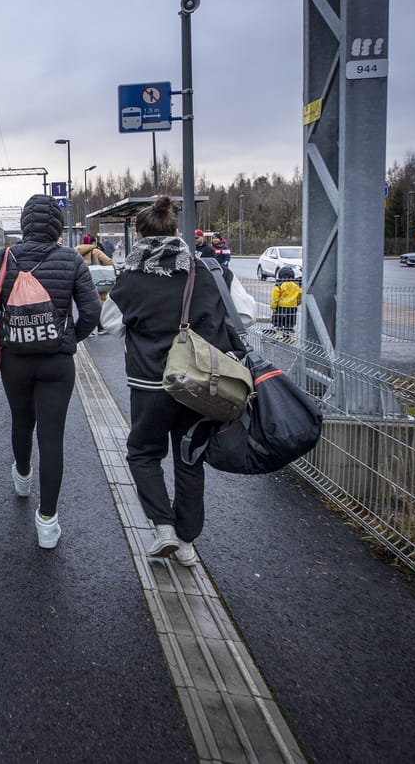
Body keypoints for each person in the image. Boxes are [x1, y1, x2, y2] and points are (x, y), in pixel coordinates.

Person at [99, 197, 250, 566]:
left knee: (143, 453)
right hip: (201, 388)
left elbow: (109, 323)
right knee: (189, 459)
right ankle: (186, 543)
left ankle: (163, 526)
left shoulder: (131, 277)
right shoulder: (210, 271)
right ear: (176, 231)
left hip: (150, 388)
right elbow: (244, 313)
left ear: (139, 235)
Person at [0, 195, 101, 549]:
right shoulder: (72, 259)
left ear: (26, 224)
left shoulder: (4, 258)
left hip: (15, 359)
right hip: (57, 363)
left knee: (21, 421)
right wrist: (70, 335)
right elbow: (91, 312)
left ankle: (23, 477)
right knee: (52, 436)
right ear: (57, 226)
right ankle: (47, 522)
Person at [269, 266, 302, 337]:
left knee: (278, 321)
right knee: (290, 321)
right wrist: (297, 303)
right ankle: (289, 335)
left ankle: (278, 333)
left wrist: (273, 307)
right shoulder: (296, 286)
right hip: (292, 307)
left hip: (280, 307)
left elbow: (275, 297)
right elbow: (300, 295)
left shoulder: (279, 285)